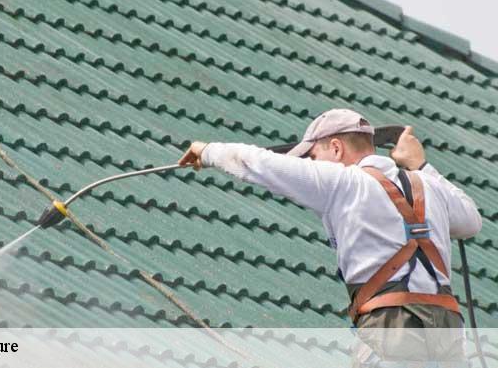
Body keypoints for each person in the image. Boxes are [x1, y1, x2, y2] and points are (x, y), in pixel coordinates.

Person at [178, 109, 482, 329]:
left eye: (313, 156)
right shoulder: (428, 185)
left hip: (391, 323)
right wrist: (422, 165)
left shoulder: (342, 182)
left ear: (336, 148)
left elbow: (258, 163)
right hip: (446, 325)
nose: (313, 164)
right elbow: (471, 221)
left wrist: (207, 151)